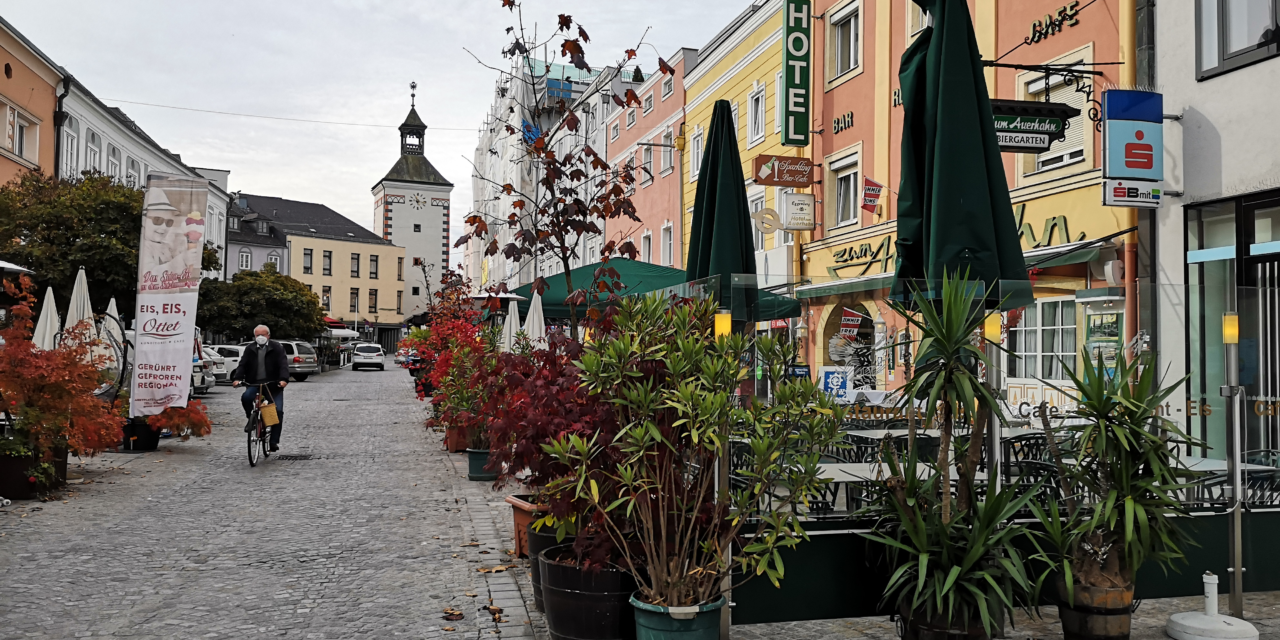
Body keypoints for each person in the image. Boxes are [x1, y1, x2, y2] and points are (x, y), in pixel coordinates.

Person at [231, 325, 290, 452]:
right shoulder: (250, 348)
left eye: (263, 335)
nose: (261, 337)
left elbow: (283, 364)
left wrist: (283, 379)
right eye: (258, 335)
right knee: (246, 397)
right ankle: (251, 420)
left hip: (273, 385)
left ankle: (273, 441)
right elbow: (242, 364)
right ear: (254, 336)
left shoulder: (277, 347)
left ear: (268, 335)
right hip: (254, 383)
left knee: (278, 411)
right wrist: (237, 378)